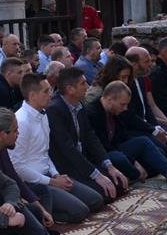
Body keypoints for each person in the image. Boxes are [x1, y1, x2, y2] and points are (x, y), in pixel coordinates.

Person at [9, 75, 99, 223]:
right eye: (46, 91)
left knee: (95, 200)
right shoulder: (21, 121)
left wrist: (56, 174)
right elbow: (17, 166)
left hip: (49, 176)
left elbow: (45, 152)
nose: (51, 94)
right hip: (35, 184)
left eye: (50, 90)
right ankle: (42, 216)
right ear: (32, 95)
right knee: (80, 211)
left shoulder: (43, 114)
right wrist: (51, 182)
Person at [87, 82, 167, 187]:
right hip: (103, 154)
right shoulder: (93, 113)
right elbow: (101, 146)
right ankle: (135, 174)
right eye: (122, 104)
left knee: (144, 142)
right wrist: (133, 161)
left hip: (116, 148)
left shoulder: (115, 109)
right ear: (109, 99)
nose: (125, 108)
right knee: (121, 159)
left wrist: (133, 158)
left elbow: (122, 136)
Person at [44, 68, 129, 204]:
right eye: (83, 83)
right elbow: (67, 149)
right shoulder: (54, 109)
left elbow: (91, 137)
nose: (87, 86)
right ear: (70, 89)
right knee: (102, 196)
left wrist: (109, 166)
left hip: (82, 161)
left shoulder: (80, 104)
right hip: (66, 167)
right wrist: (96, 175)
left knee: (119, 183)